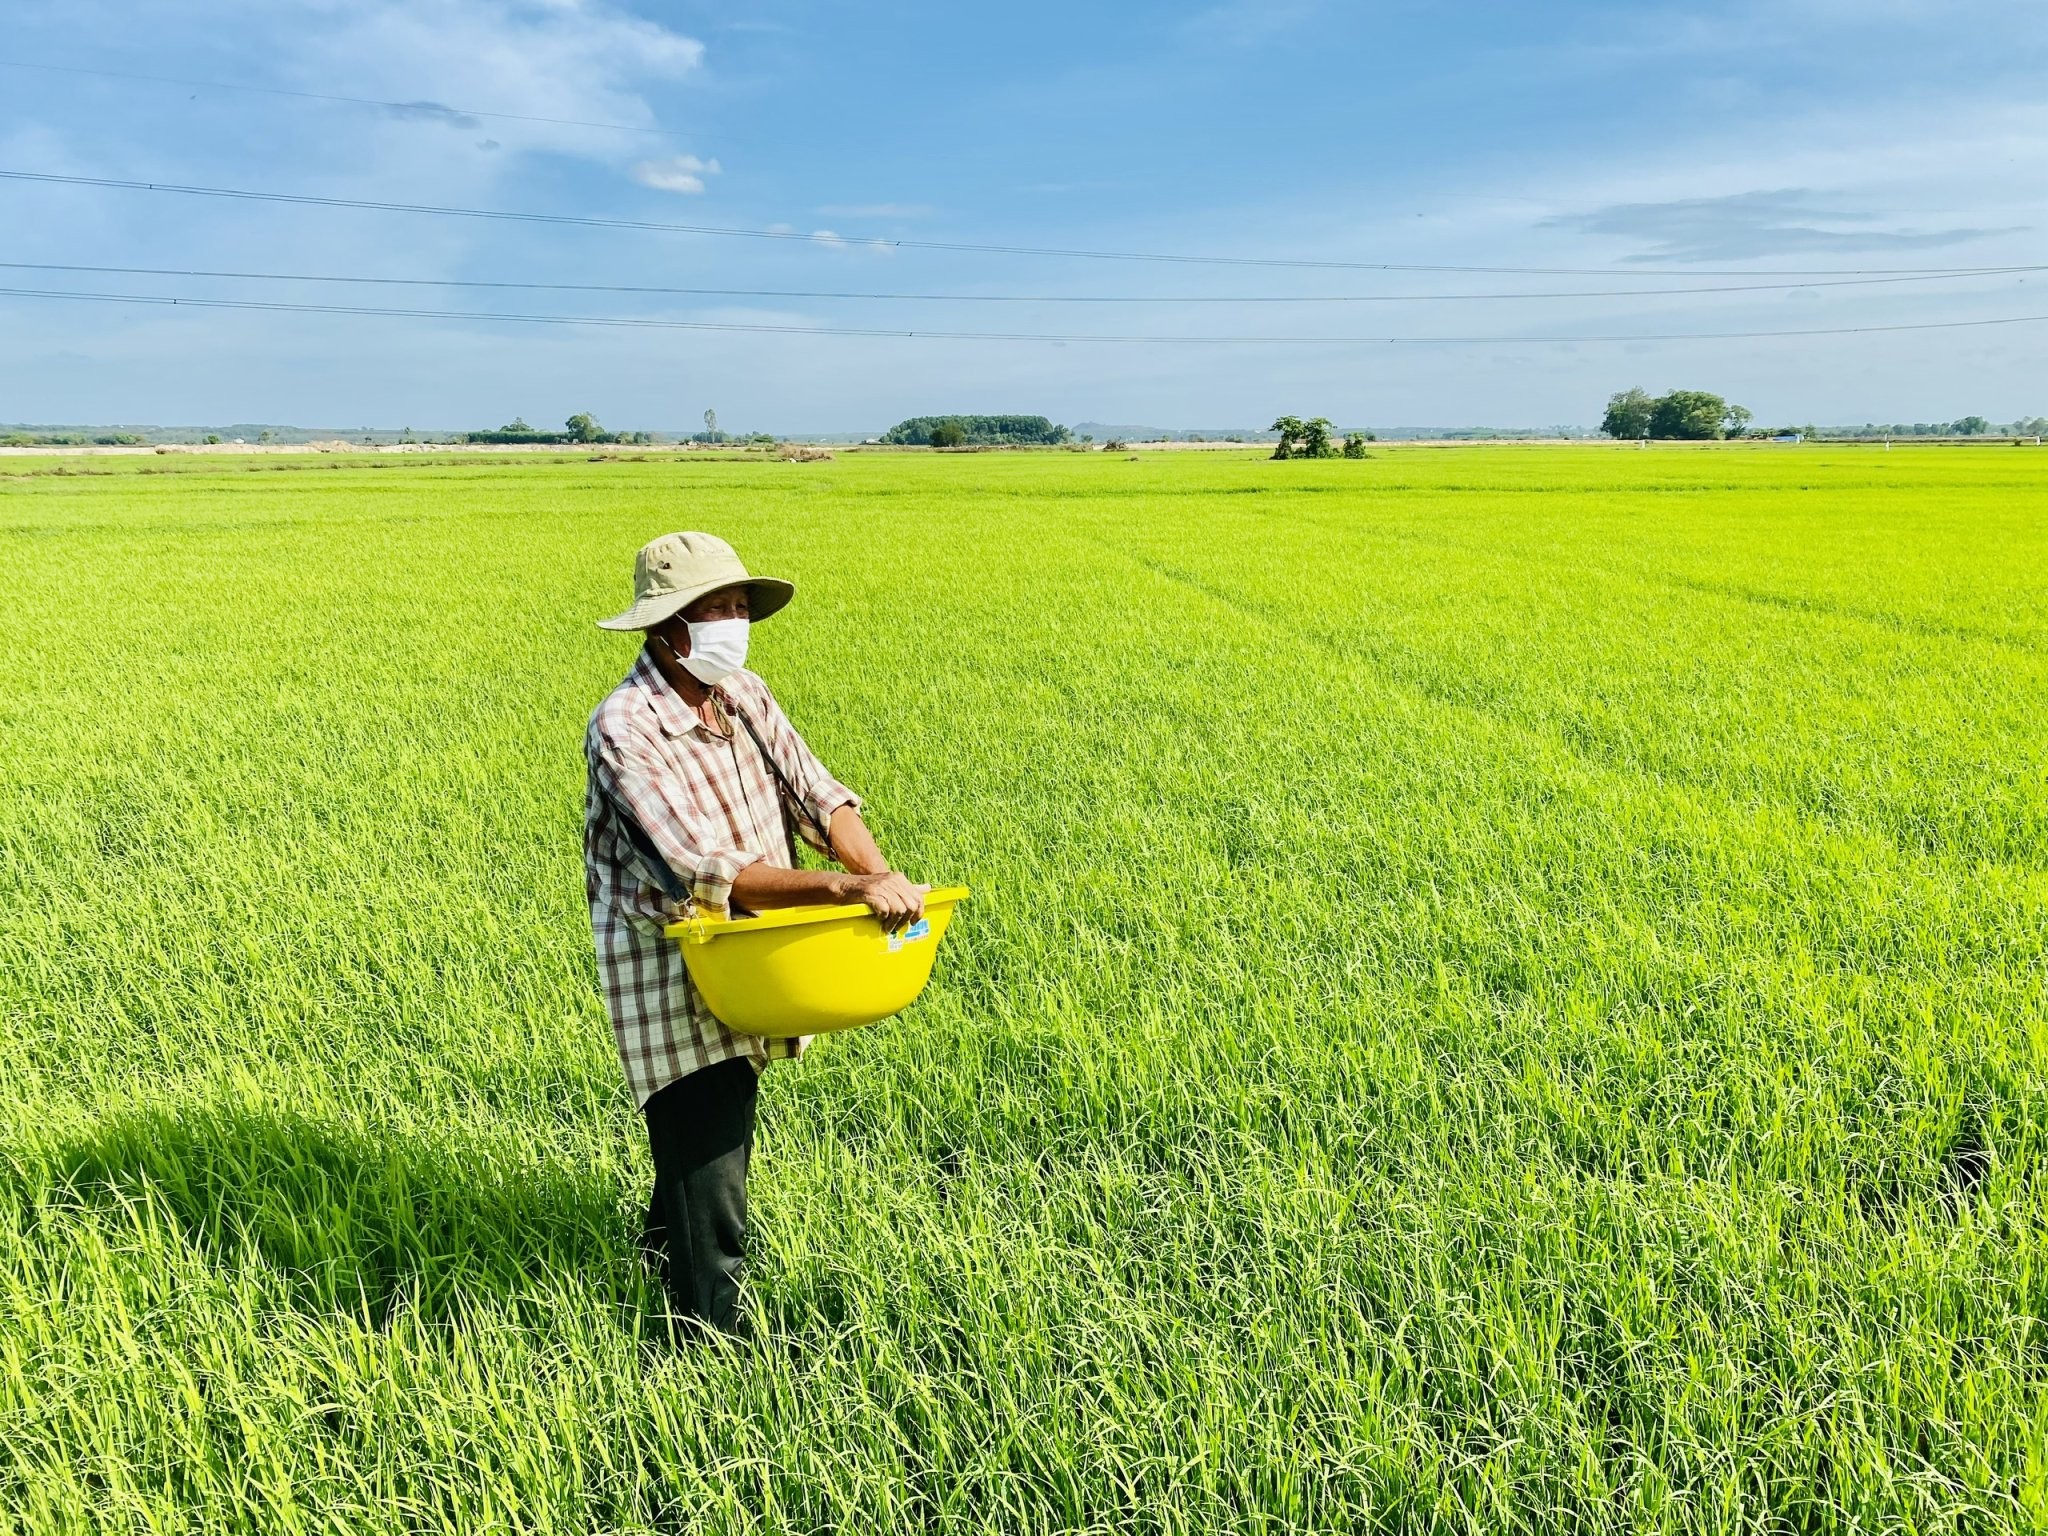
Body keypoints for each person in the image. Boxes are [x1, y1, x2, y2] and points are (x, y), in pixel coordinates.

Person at [584, 531, 924, 1337]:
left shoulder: (743, 693)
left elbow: (823, 798)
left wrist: (880, 875)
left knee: (716, 1120)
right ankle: (711, 1337)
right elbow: (698, 864)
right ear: (664, 628)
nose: (734, 623)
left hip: (756, 949)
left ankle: (660, 1249)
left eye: (741, 607)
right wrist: (846, 887)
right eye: (715, 609)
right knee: (709, 1136)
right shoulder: (625, 726)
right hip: (674, 955)